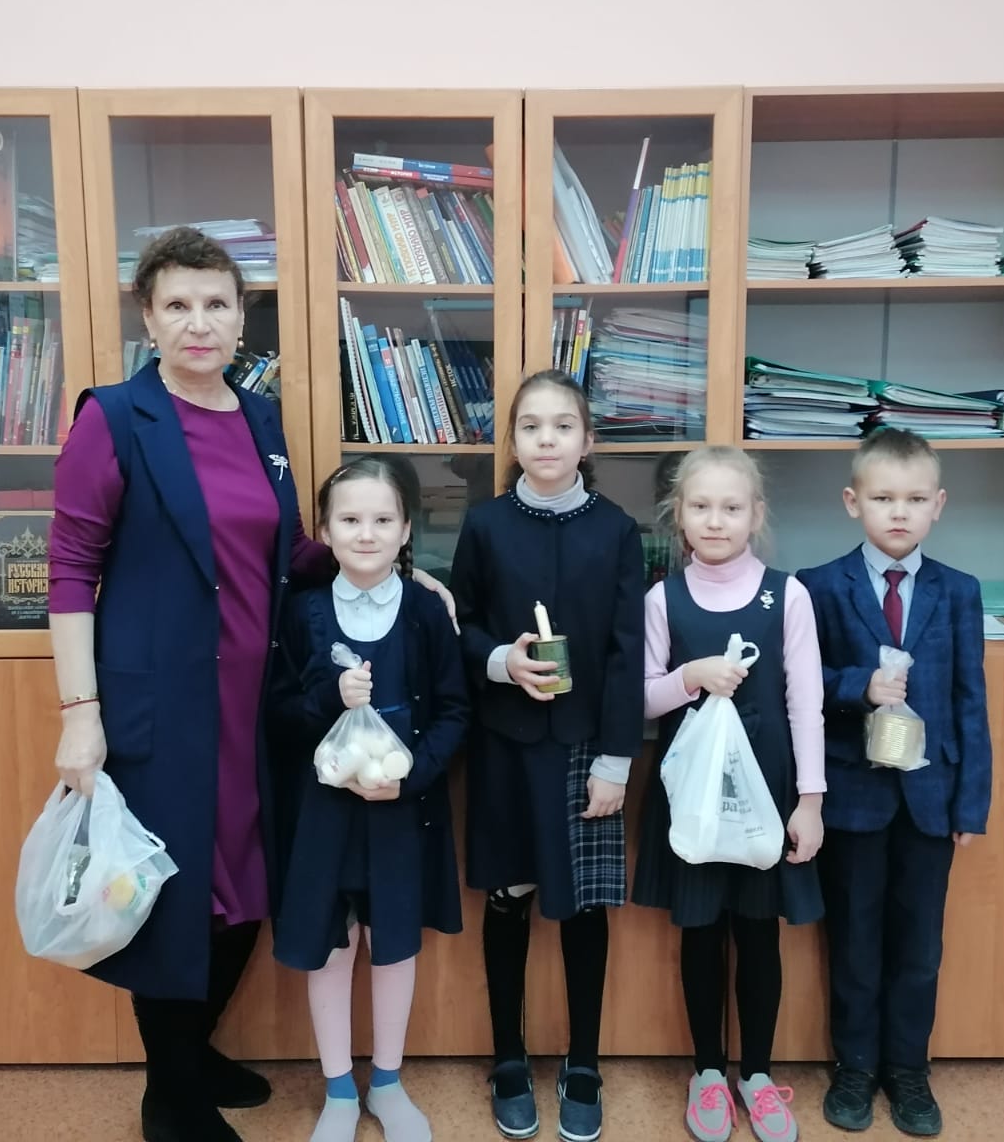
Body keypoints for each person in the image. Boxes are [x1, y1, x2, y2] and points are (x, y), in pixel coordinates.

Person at [46, 227, 451, 1142]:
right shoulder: (114, 418)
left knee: (242, 885)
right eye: (178, 305)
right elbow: (70, 569)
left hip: (259, 700)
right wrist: (79, 713)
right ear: (148, 318)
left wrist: (393, 572)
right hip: (160, 704)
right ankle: (170, 1094)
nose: (199, 322)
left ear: (240, 320)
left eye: (216, 304)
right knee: (172, 893)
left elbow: (289, 552)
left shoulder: (259, 419)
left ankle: (191, 1054)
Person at [449, 369, 645, 1142]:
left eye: (563, 426)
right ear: (513, 440)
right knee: (510, 896)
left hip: (587, 747)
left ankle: (584, 1060)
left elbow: (628, 654)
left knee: (584, 905)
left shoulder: (617, 530)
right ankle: (508, 1055)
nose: (547, 439)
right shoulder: (486, 525)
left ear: (587, 440)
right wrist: (502, 661)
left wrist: (617, 762)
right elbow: (461, 626)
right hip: (507, 743)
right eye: (531, 426)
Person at [795, 428, 992, 1137]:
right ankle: (854, 1067)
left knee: (919, 946)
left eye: (914, 499)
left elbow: (970, 700)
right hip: (854, 797)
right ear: (854, 502)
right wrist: (859, 685)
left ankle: (908, 1069)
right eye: (883, 498)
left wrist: (972, 803)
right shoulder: (817, 587)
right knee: (854, 940)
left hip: (931, 802)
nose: (898, 512)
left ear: (938, 504)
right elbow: (801, 687)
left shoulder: (959, 591)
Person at [269, 457, 469, 1142]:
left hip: (402, 814)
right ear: (325, 530)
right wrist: (331, 697)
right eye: (350, 519)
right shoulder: (301, 613)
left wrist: (409, 778)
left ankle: (386, 1082)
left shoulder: (425, 611)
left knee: (393, 942)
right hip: (323, 817)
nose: (366, 533)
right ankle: (338, 1092)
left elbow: (455, 711)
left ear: (406, 528)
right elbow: (277, 714)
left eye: (383, 519)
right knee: (333, 946)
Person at [632, 445, 826, 1142]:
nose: (716, 521)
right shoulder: (663, 598)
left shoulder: (788, 595)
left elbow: (806, 704)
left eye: (731, 507)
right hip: (694, 799)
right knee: (701, 933)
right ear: (678, 514)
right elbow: (641, 699)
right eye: (701, 506)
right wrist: (692, 676)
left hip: (766, 795)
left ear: (756, 515)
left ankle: (759, 1077)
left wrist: (811, 801)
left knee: (758, 933)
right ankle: (708, 1073)